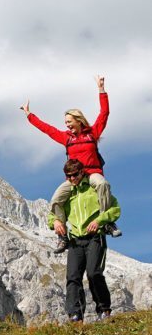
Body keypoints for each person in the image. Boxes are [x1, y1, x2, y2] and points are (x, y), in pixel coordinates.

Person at [20, 75, 121, 254]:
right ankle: (62, 236)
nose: (67, 125)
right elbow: (47, 129)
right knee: (57, 198)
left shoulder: (92, 133)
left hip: (91, 173)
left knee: (102, 184)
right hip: (74, 177)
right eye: (65, 123)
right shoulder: (66, 138)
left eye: (69, 122)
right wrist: (29, 115)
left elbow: (104, 114)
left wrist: (101, 89)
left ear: (78, 120)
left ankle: (107, 222)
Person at [48, 159, 120, 322]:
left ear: (82, 172)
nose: (71, 179)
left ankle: (104, 310)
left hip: (95, 238)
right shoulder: (68, 194)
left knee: (94, 273)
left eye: (74, 175)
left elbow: (115, 208)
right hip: (75, 240)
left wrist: (100, 221)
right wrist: (56, 222)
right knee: (73, 277)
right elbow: (52, 213)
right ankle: (75, 315)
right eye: (68, 176)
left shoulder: (94, 189)